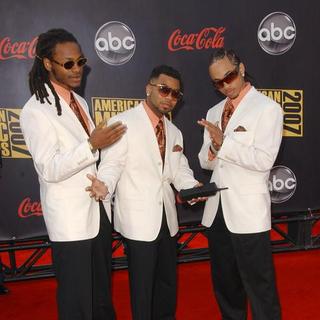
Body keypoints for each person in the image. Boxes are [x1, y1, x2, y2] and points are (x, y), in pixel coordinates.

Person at [20, 28, 126, 320]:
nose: (77, 69)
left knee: (101, 297)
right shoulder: (35, 111)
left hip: (97, 213)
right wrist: (92, 144)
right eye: (68, 64)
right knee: (78, 302)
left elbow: (89, 159)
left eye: (81, 62)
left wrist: (102, 176)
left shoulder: (77, 102)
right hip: (70, 222)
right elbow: (49, 168)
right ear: (47, 64)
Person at [87, 65, 204, 320]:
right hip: (138, 221)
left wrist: (192, 187)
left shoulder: (174, 131)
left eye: (175, 94)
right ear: (148, 88)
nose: (170, 98)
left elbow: (178, 171)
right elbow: (112, 164)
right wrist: (104, 185)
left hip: (168, 221)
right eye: (164, 90)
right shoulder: (123, 123)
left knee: (166, 285)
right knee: (142, 289)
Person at [198, 48, 282, 320]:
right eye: (217, 83)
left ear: (241, 69)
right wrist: (213, 149)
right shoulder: (213, 111)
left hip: (247, 212)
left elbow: (263, 160)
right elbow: (206, 162)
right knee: (226, 286)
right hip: (217, 212)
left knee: (260, 287)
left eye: (229, 77)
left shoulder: (268, 109)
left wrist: (225, 144)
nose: (225, 86)